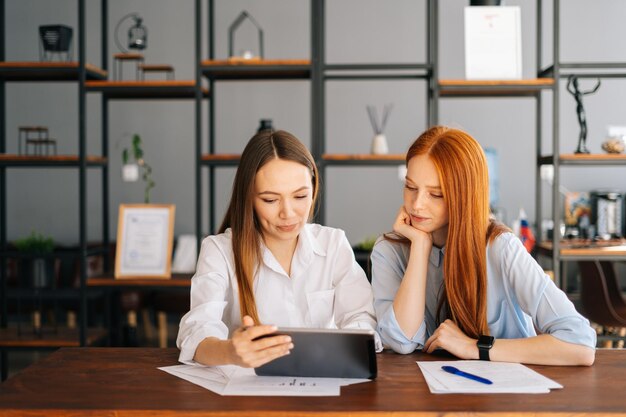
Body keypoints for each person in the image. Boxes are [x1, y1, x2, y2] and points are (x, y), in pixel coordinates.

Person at [371, 126, 596, 366]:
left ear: (464, 195)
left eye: (435, 194)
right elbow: (401, 342)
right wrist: (420, 246)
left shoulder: (501, 247)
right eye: (411, 187)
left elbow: (579, 344)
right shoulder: (389, 250)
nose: (416, 205)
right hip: (426, 394)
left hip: (507, 394)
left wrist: (475, 347)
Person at [177, 129, 379, 367]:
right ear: (248, 197)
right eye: (270, 200)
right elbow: (197, 331)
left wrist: (348, 342)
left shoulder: (332, 244)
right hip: (247, 392)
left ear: (313, 188)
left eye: (300, 196)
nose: (288, 213)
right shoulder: (219, 251)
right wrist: (230, 352)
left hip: (322, 385)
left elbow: (363, 317)